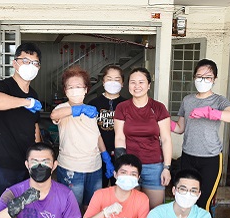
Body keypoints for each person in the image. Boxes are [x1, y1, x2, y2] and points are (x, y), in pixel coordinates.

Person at [172, 59, 230, 212]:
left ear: (214, 79)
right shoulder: (187, 100)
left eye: (207, 77)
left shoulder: (219, 100)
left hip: (211, 158)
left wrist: (210, 112)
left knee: (204, 201)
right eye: (199, 76)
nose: (202, 80)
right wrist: (162, 122)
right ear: (194, 77)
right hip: (188, 155)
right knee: (186, 199)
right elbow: (180, 127)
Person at [50, 65, 114, 209]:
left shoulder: (91, 111)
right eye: (70, 87)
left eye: (78, 86)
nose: (75, 90)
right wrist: (77, 109)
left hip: (95, 167)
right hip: (71, 168)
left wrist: (106, 157)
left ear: (86, 89)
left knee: (91, 207)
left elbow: (96, 135)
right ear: (65, 91)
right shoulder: (62, 109)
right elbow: (54, 116)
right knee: (71, 209)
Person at [0, 42, 43, 202]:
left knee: (24, 204)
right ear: (15, 63)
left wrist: (38, 156)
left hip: (26, 160)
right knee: (5, 205)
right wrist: (26, 102)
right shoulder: (4, 86)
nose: (30, 66)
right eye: (25, 61)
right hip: (5, 161)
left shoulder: (34, 94)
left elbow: (35, 126)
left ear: (38, 67)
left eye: (34, 63)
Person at [114, 67, 172, 209]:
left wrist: (167, 167)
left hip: (154, 166)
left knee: (155, 211)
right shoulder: (122, 108)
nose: (137, 86)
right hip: (130, 167)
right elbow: (120, 137)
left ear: (149, 85)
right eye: (133, 82)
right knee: (129, 210)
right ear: (128, 86)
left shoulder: (158, 108)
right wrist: (121, 165)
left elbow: (165, 139)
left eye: (141, 82)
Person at [88, 64, 126, 187]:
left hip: (121, 153)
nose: (113, 82)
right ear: (103, 82)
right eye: (109, 79)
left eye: (117, 79)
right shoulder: (93, 103)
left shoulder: (126, 104)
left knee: (120, 188)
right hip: (97, 153)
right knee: (99, 190)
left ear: (123, 83)